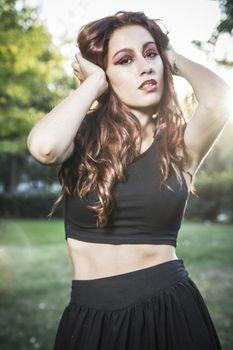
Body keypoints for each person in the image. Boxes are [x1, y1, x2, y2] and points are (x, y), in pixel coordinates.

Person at [27, 10, 230, 350]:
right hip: (90, 319)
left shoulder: (180, 147)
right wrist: (93, 84)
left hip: (170, 311)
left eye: (150, 54)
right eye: (124, 60)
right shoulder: (80, 140)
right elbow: (44, 148)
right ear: (105, 74)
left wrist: (170, 56)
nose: (144, 66)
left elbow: (217, 102)